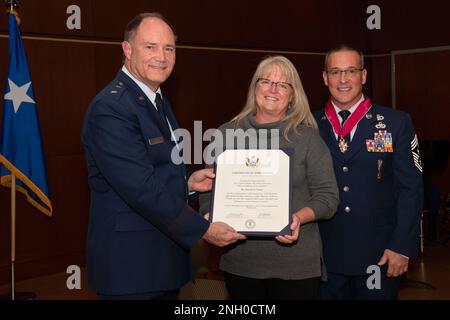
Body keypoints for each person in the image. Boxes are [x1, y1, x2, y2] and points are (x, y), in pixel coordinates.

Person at [81, 13, 245, 300]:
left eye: (169, 48)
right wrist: (204, 230)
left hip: (159, 260)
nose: (162, 56)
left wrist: (188, 184)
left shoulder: (156, 99)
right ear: (127, 49)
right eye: (151, 47)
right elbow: (141, 188)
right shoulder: (111, 108)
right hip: (131, 268)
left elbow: (158, 169)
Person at [199, 55, 339, 300]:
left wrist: (297, 218)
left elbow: (328, 197)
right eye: (266, 82)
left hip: (296, 267)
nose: (273, 89)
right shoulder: (226, 133)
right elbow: (208, 188)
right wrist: (208, 216)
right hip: (241, 263)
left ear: (292, 95)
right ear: (255, 88)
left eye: (283, 84)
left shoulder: (307, 137)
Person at [315, 44, 424, 299]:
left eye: (351, 71)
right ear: (325, 78)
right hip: (324, 257)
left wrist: (402, 246)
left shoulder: (397, 123)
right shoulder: (309, 126)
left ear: (363, 76)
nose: (343, 80)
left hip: (380, 255)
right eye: (335, 72)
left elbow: (411, 189)